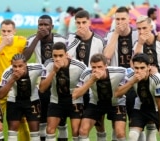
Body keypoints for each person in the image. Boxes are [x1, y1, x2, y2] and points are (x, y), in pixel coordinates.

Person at [23, 14, 68, 141]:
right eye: (40, 25)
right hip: (41, 83)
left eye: (46, 25)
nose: (43, 27)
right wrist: (37, 38)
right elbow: (24, 58)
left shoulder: (61, 39)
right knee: (42, 119)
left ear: (52, 26)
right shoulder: (32, 38)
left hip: (59, 82)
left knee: (61, 122)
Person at [0, 19, 29, 141]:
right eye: (3, 31)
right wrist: (2, 44)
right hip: (0, 88)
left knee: (23, 121)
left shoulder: (22, 41)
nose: (6, 34)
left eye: (9, 31)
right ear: (0, 31)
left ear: (15, 31)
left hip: (17, 88)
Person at [67, 9, 105, 140]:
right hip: (77, 87)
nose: (81, 25)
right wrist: (77, 39)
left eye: (84, 22)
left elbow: (104, 62)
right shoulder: (72, 39)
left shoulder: (99, 41)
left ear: (89, 22)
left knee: (99, 124)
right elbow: (67, 57)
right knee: (78, 128)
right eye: (78, 23)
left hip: (94, 87)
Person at [72, 53, 127, 141]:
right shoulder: (87, 74)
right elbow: (75, 95)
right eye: (93, 67)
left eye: (99, 67)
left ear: (106, 66)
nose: (96, 70)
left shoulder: (119, 72)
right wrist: (92, 80)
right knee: (82, 131)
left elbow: (132, 71)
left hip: (116, 103)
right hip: (96, 103)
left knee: (120, 133)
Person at [114, 53, 160, 141]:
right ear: (133, 68)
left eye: (142, 68)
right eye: (136, 68)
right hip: (141, 107)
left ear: (148, 67)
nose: (139, 71)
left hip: (158, 108)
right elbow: (117, 94)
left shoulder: (157, 78)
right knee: (132, 135)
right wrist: (132, 82)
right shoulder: (131, 76)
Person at [39, 42, 87, 141]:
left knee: (76, 131)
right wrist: (53, 71)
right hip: (56, 100)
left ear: (66, 54)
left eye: (60, 55)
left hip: (75, 100)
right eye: (55, 56)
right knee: (50, 130)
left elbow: (87, 85)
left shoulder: (79, 66)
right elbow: (42, 88)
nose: (57, 59)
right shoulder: (48, 64)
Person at [0, 54, 44, 141]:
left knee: (35, 131)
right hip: (14, 100)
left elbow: (48, 68)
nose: (17, 69)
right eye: (15, 66)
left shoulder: (36, 68)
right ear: (11, 64)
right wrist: (13, 79)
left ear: (26, 64)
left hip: (32, 100)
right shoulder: (7, 73)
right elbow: (0, 94)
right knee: (12, 131)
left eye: (20, 66)